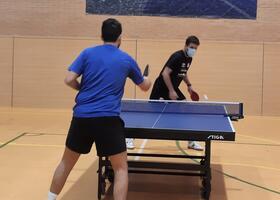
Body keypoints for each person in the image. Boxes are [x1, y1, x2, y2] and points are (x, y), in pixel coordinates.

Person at [47, 18, 151, 200]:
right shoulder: (126, 59)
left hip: (82, 118)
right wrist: (147, 78)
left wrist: (83, 88)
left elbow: (68, 79)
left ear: (101, 35)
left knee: (66, 163)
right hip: (108, 120)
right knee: (120, 168)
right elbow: (144, 86)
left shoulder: (87, 53)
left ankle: (50, 198)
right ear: (120, 38)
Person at [150, 35, 203, 151]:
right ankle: (129, 138)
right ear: (185, 45)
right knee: (150, 115)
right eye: (191, 47)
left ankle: (191, 141)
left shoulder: (189, 58)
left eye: (195, 49)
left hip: (172, 88)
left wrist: (189, 85)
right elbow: (165, 73)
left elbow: (183, 72)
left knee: (185, 108)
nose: (193, 50)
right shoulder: (177, 56)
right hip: (161, 88)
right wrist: (171, 91)